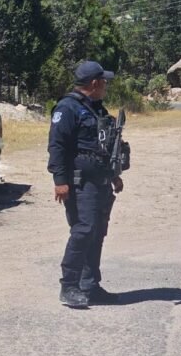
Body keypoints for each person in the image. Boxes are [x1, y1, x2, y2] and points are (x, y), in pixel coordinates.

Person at [48, 60, 124, 308]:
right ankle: (69, 286)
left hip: (101, 181)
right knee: (83, 231)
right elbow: (57, 146)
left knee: (97, 232)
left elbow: (104, 147)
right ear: (94, 83)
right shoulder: (67, 108)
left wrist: (114, 175)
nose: (106, 86)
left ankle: (90, 285)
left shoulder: (97, 110)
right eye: (104, 82)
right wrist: (60, 181)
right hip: (80, 183)